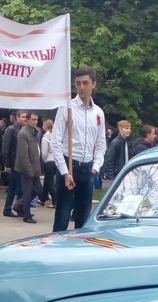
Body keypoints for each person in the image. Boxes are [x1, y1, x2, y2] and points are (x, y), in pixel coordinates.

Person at [49, 65, 107, 232]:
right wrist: (65, 172)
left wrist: (95, 168)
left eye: (85, 83)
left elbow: (101, 144)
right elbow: (56, 142)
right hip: (69, 165)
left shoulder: (98, 113)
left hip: (88, 168)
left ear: (93, 84)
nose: (81, 87)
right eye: (78, 83)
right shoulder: (66, 108)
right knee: (62, 217)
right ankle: (57, 253)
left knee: (83, 219)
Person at [14, 110, 41, 224]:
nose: (35, 122)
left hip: (35, 167)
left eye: (36, 120)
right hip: (27, 168)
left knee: (38, 190)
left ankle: (19, 205)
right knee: (28, 191)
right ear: (28, 120)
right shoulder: (23, 133)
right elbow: (23, 155)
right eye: (33, 119)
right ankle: (26, 214)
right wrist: (29, 170)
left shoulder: (35, 131)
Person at [1, 110, 26, 217]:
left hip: (21, 164)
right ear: (17, 117)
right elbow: (5, 148)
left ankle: (16, 208)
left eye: (26, 117)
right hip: (13, 163)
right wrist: (7, 165)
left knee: (18, 188)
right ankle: (9, 208)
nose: (25, 119)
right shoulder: (11, 129)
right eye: (23, 117)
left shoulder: (24, 130)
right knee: (14, 187)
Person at [39, 117, 57, 208]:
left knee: (50, 182)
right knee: (47, 180)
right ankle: (43, 197)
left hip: (48, 161)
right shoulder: (55, 136)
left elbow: (44, 152)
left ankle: (55, 201)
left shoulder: (45, 138)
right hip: (55, 161)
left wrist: (42, 160)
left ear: (45, 126)